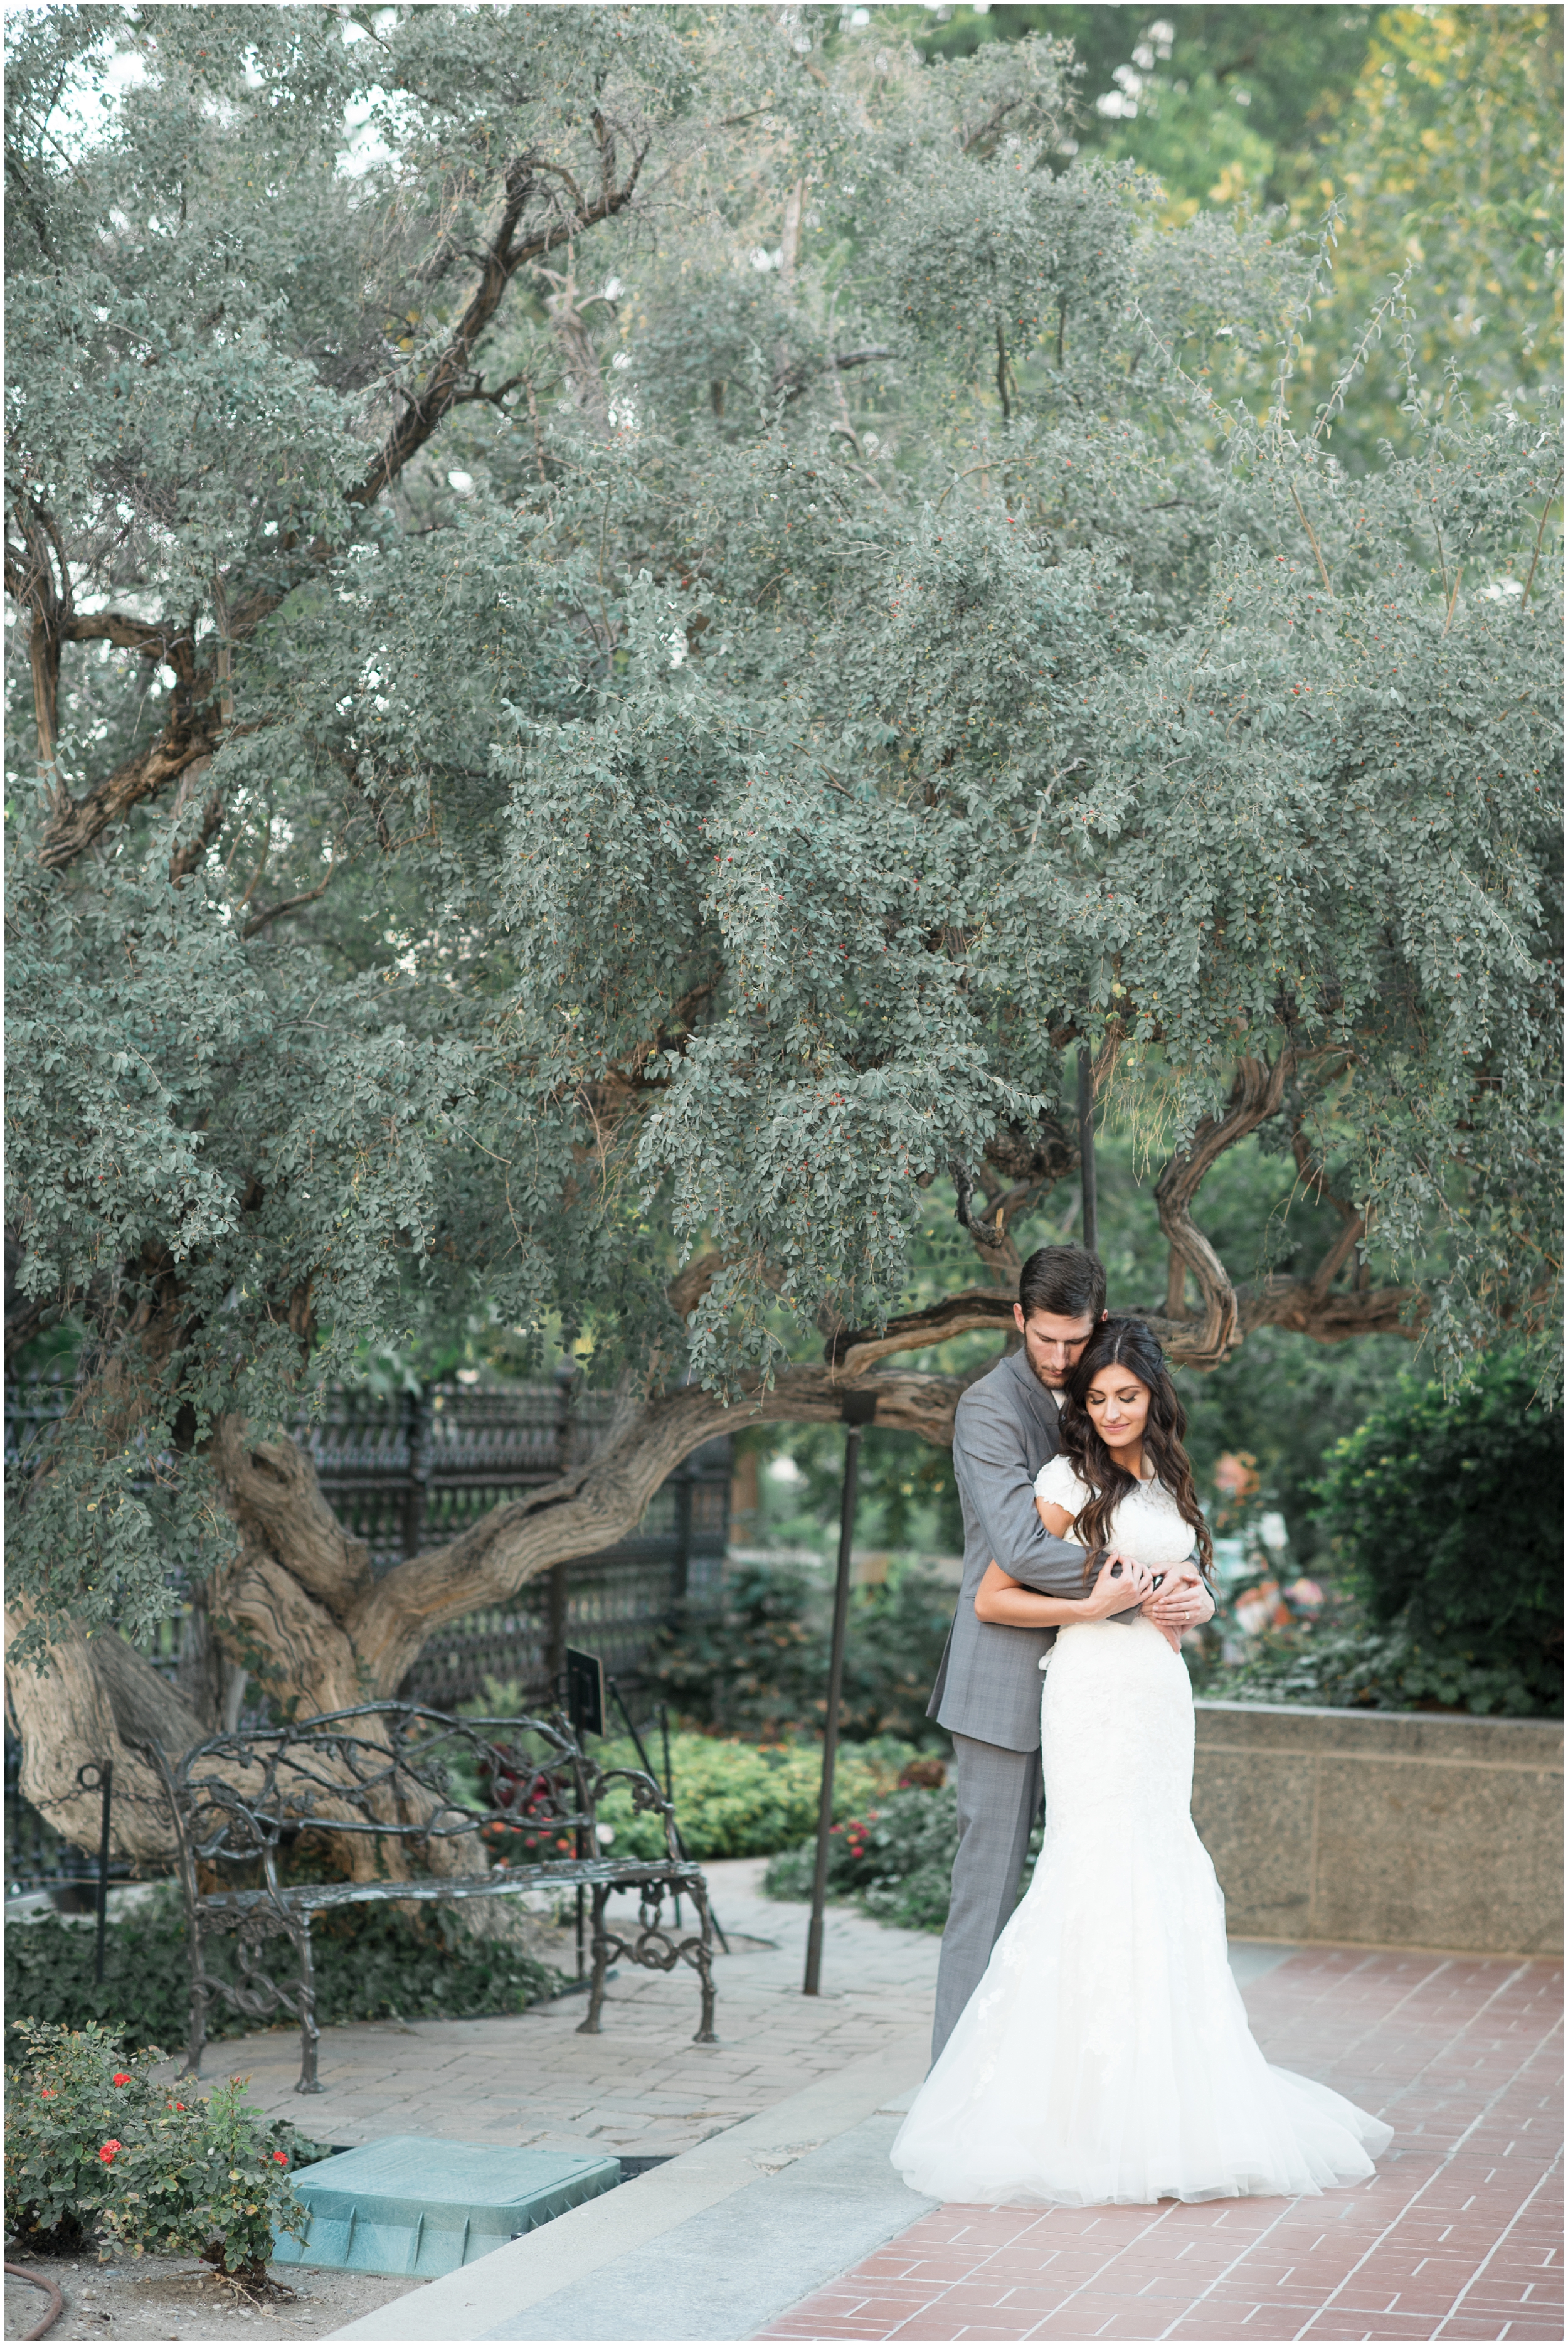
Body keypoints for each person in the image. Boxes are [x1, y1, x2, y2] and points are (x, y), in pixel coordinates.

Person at [893, 1319, 1393, 2206]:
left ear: (1154, 1397)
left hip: (1162, 1701)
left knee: (1164, 1866)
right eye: (1097, 1398)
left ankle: (1172, 2097)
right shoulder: (1065, 1477)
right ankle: (1075, 2105)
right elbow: (995, 1594)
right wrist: (1096, 1604)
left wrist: (1196, 1596)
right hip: (1089, 1692)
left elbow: (1185, 1583)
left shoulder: (1167, 1479)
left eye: (1127, 1396)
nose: (1113, 1411)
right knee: (1094, 1869)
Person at [925, 1245, 1213, 2064]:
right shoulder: (988, 1407)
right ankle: (955, 2084)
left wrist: (1193, 1584)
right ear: (1019, 1319)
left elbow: (1162, 1509)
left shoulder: (1111, 1388)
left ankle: (1075, 2080)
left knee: (1102, 1885)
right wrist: (1145, 1580)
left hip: (1109, 1694)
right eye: (1044, 1339)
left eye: (1072, 1340)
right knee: (987, 1894)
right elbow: (1016, 1545)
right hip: (1007, 1672)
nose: (1058, 1357)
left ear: (1101, 1321)